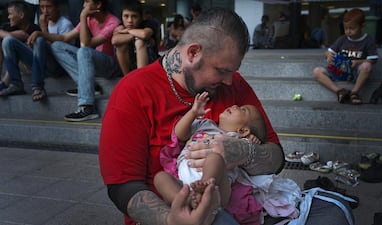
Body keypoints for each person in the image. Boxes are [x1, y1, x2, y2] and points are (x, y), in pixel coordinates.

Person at [99, 7, 284, 225]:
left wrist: (244, 152)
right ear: (193, 53)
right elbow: (122, 186)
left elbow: (277, 157)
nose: (228, 81)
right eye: (222, 70)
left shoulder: (235, 85)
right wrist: (172, 220)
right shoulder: (133, 91)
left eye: (232, 72)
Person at [154, 91, 268, 224]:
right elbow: (180, 134)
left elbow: (253, 152)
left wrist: (251, 141)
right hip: (184, 181)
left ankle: (204, 192)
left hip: (217, 188)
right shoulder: (206, 124)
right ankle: (188, 200)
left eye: (243, 110)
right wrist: (192, 113)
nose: (236, 106)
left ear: (243, 131)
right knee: (160, 177)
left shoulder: (236, 139)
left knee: (215, 158)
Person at [51, 0, 120, 122]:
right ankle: (91, 86)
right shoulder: (90, 20)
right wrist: (40, 33)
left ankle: (87, 107)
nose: (84, 6)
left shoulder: (113, 22)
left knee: (83, 51)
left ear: (98, 4)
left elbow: (86, 44)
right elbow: (64, 38)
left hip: (111, 66)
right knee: (57, 46)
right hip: (94, 61)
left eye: (87, 2)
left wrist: (83, 17)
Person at [0, 0, 74, 100]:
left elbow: (60, 53)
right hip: (40, 64)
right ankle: (16, 84)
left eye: (49, 7)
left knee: (39, 40)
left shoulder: (65, 24)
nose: (45, 11)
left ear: (58, 7)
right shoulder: (42, 21)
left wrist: (43, 29)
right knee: (8, 41)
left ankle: (38, 86)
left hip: (57, 66)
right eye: (42, 7)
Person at [312, 8, 378, 105]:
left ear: (362, 26)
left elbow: (373, 59)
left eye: (352, 28)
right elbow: (328, 52)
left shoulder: (368, 40)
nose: (348, 31)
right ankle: (340, 91)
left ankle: (354, 93)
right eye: (346, 28)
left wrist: (357, 62)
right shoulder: (342, 39)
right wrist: (328, 55)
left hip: (355, 71)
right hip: (339, 70)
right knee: (317, 71)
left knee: (366, 66)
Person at [0, 1, 41, 96]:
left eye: (10, 14)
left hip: (34, 65)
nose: (8, 17)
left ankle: (10, 84)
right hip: (15, 65)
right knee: (8, 41)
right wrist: (12, 35)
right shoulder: (9, 27)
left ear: (21, 15)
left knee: (8, 42)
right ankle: (7, 83)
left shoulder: (34, 29)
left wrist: (11, 38)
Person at [112, 0, 158, 76]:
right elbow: (114, 40)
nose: (130, 20)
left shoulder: (148, 24)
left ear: (140, 18)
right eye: (126, 16)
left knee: (139, 41)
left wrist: (128, 31)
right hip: (130, 64)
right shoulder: (121, 26)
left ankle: (141, 78)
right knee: (121, 44)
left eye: (134, 16)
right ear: (122, 17)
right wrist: (135, 34)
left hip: (150, 65)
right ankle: (127, 78)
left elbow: (144, 34)